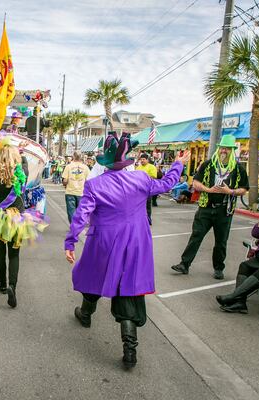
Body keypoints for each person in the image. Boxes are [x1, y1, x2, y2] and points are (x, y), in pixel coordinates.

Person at [64, 132, 190, 369]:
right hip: (135, 242)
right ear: (126, 160)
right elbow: (167, 184)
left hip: (103, 241)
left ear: (106, 162)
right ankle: (130, 349)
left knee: (94, 276)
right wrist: (178, 164)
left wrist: (70, 242)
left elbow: (81, 215)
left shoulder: (94, 184)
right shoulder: (141, 179)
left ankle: (86, 313)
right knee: (127, 289)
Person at [0, 137, 48, 308]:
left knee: (0, 253)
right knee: (14, 254)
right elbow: (24, 164)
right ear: (15, 158)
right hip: (18, 220)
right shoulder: (22, 174)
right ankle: (13, 286)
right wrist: (19, 152)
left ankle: (3, 285)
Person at [171, 134, 249, 280]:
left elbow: (244, 188)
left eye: (227, 148)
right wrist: (208, 189)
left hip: (224, 210)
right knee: (196, 236)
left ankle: (218, 268)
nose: (224, 151)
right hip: (206, 208)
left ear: (232, 150)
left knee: (221, 241)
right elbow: (195, 183)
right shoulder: (208, 165)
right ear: (219, 149)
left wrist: (230, 191)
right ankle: (184, 264)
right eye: (222, 148)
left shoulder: (238, 169)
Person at [62, 152, 90, 223]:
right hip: (81, 192)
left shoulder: (68, 166)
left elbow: (65, 180)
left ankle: (73, 226)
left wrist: (65, 184)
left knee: (71, 211)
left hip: (70, 192)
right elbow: (89, 181)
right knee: (80, 211)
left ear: (73, 156)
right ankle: (78, 226)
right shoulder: (85, 167)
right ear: (81, 157)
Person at [136, 153, 158, 225]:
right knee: (139, 205)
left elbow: (154, 177)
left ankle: (148, 220)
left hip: (147, 188)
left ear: (147, 160)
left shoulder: (151, 167)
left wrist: (143, 177)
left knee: (147, 205)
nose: (142, 161)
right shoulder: (138, 167)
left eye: (143, 159)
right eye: (141, 159)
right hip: (139, 189)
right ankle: (140, 220)